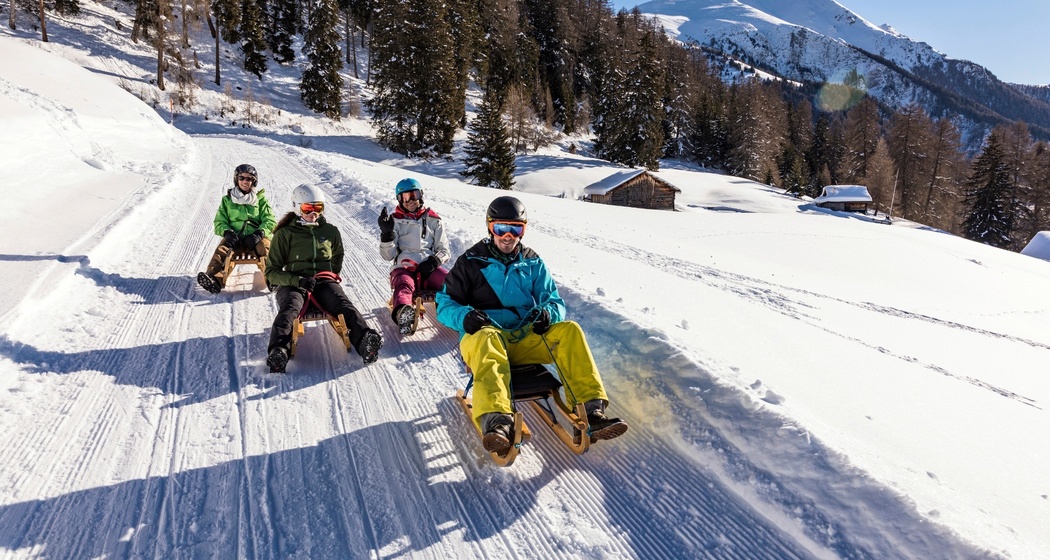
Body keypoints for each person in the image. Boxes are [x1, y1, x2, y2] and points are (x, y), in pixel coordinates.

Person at [436, 196, 628, 454]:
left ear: (523, 230)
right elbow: (444, 304)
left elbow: (554, 300)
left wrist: (549, 313)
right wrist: (464, 317)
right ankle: (498, 422)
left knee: (569, 331)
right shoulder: (471, 261)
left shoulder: (532, 262)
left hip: (523, 338)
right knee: (487, 338)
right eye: (501, 228)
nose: (508, 236)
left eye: (516, 229)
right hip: (485, 338)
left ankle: (591, 410)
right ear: (490, 228)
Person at [263, 183, 382, 373]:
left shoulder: (330, 231)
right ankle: (279, 351)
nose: (313, 213)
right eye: (307, 208)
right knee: (290, 308)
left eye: (318, 208)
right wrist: (297, 280)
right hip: (294, 282)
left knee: (342, 304)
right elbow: (272, 271)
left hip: (323, 280)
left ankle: (365, 341)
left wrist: (329, 276)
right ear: (297, 207)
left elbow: (337, 257)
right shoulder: (285, 234)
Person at [378, 178, 451, 334]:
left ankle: (457, 312)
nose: (411, 201)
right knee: (404, 285)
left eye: (414, 195)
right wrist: (386, 235)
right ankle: (403, 313)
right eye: (405, 197)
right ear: (399, 200)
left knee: (451, 282)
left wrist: (434, 261)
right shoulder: (395, 221)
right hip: (404, 267)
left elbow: (444, 250)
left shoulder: (433, 220)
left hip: (428, 268)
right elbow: (388, 255)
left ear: (421, 195)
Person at [197, 164, 277, 294]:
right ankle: (214, 279)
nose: (245, 181)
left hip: (255, 239)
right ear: (236, 179)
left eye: (249, 179)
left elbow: (270, 220)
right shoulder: (227, 200)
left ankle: (273, 277)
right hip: (236, 239)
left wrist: (259, 233)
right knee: (222, 250)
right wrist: (227, 233)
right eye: (242, 178)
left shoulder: (260, 200)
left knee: (266, 248)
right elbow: (219, 221)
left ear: (254, 181)